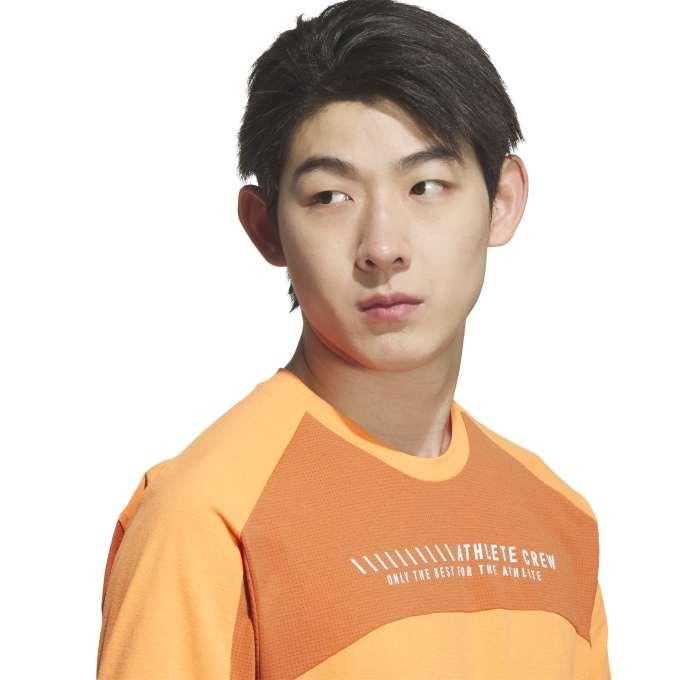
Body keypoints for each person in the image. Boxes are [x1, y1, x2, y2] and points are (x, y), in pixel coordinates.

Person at [96, 1, 611, 678]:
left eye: (426, 186)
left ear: (502, 201)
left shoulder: (556, 516)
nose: (383, 246)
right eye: (330, 197)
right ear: (265, 228)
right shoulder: (209, 516)